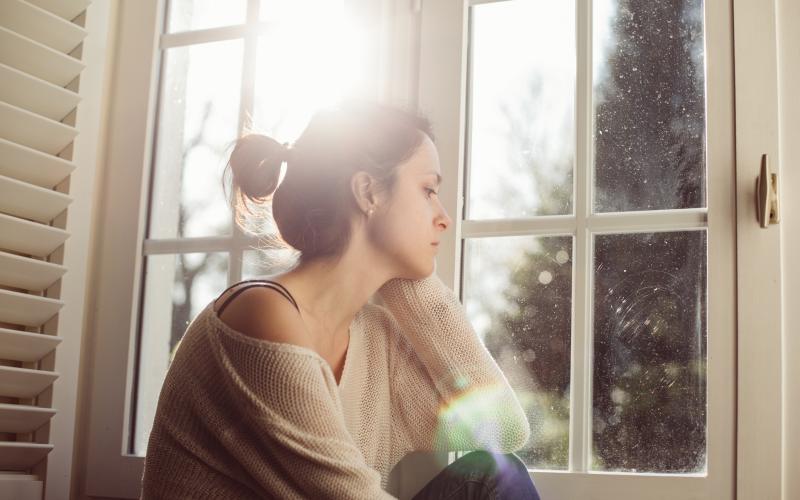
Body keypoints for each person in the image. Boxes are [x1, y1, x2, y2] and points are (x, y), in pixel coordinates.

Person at [140, 99, 541, 499]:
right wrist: (392, 256)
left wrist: (406, 279)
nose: (443, 216)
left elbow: (503, 426)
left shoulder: (376, 340)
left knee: (495, 475)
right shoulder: (260, 315)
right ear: (368, 191)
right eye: (428, 190)